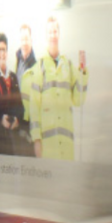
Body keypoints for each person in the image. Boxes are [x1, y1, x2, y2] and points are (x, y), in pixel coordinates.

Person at [28, 16, 88, 161]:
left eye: (55, 31)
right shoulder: (39, 67)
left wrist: (83, 71)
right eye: (50, 32)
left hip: (67, 148)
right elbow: (34, 108)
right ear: (46, 36)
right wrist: (36, 140)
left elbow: (78, 100)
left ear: (59, 34)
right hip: (48, 149)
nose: (53, 35)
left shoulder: (68, 64)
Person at [0, 34, 29, 156]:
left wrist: (17, 119)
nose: (2, 53)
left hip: (12, 136)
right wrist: (0, 119)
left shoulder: (13, 77)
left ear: (7, 52)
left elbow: (20, 105)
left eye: (4, 50)